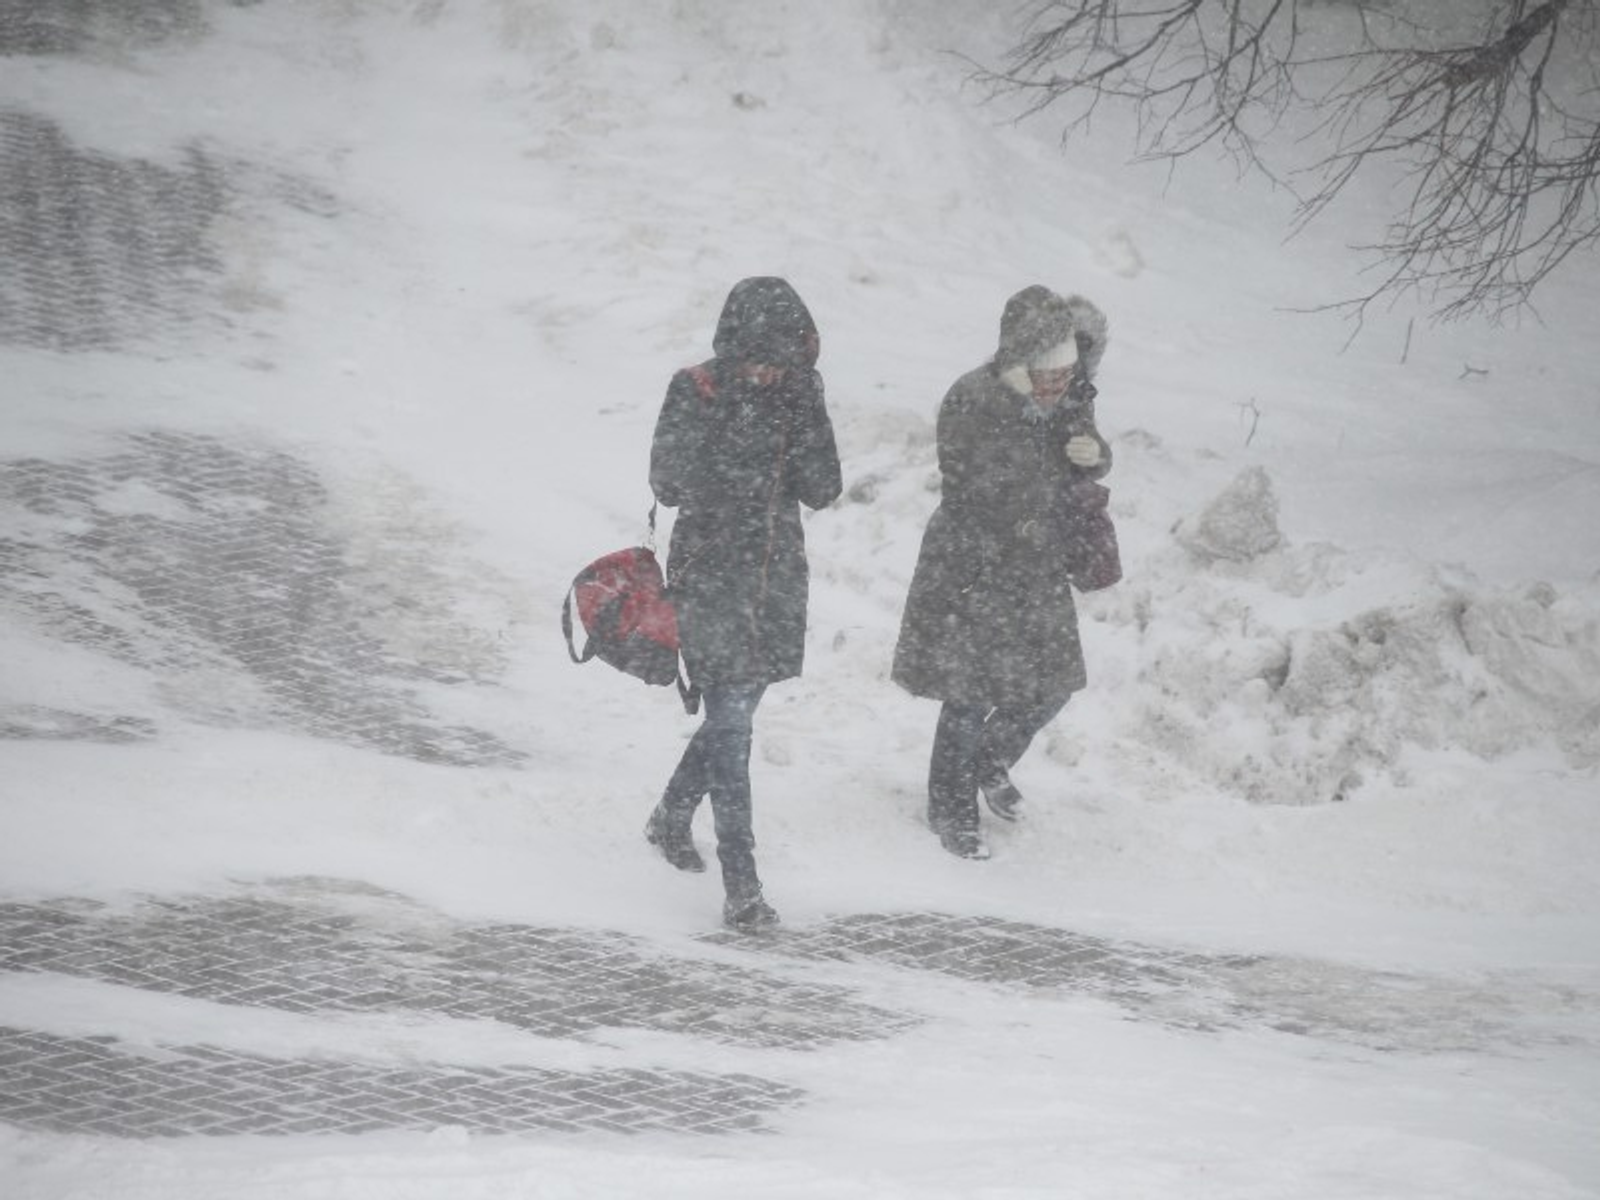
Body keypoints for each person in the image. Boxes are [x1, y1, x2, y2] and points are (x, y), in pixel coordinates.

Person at [643, 277, 842, 930]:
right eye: (755, 358)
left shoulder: (798, 391)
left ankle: (672, 813)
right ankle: (742, 885)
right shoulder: (695, 388)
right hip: (709, 572)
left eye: (778, 360)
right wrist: (735, 450)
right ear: (731, 348)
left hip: (774, 575)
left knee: (731, 718)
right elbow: (667, 483)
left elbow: (823, 486)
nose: (764, 371)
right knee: (732, 726)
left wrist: (802, 414)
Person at [891, 285, 1111, 859]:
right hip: (973, 565)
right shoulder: (973, 398)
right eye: (1050, 376)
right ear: (1023, 366)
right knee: (966, 694)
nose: (1061, 385)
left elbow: (1085, 449)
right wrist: (1034, 496)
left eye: (1067, 375)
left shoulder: (1063, 397)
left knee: (1054, 684)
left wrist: (1092, 453)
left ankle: (989, 761)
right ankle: (948, 805)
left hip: (1036, 567)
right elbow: (969, 484)